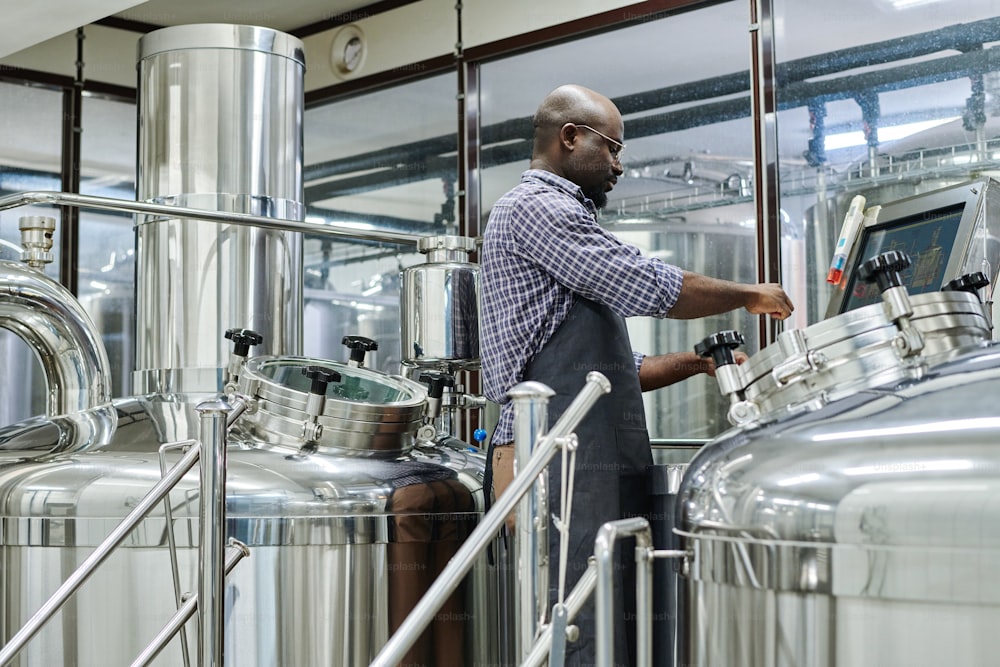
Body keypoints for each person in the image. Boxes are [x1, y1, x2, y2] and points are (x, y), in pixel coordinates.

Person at [479, 84, 793, 666]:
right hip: (551, 459)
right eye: (612, 149)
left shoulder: (567, 221)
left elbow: (609, 376)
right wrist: (748, 293)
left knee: (620, 622)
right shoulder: (535, 208)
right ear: (569, 137)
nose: (619, 165)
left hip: (587, 455)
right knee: (577, 625)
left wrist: (697, 364)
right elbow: (646, 283)